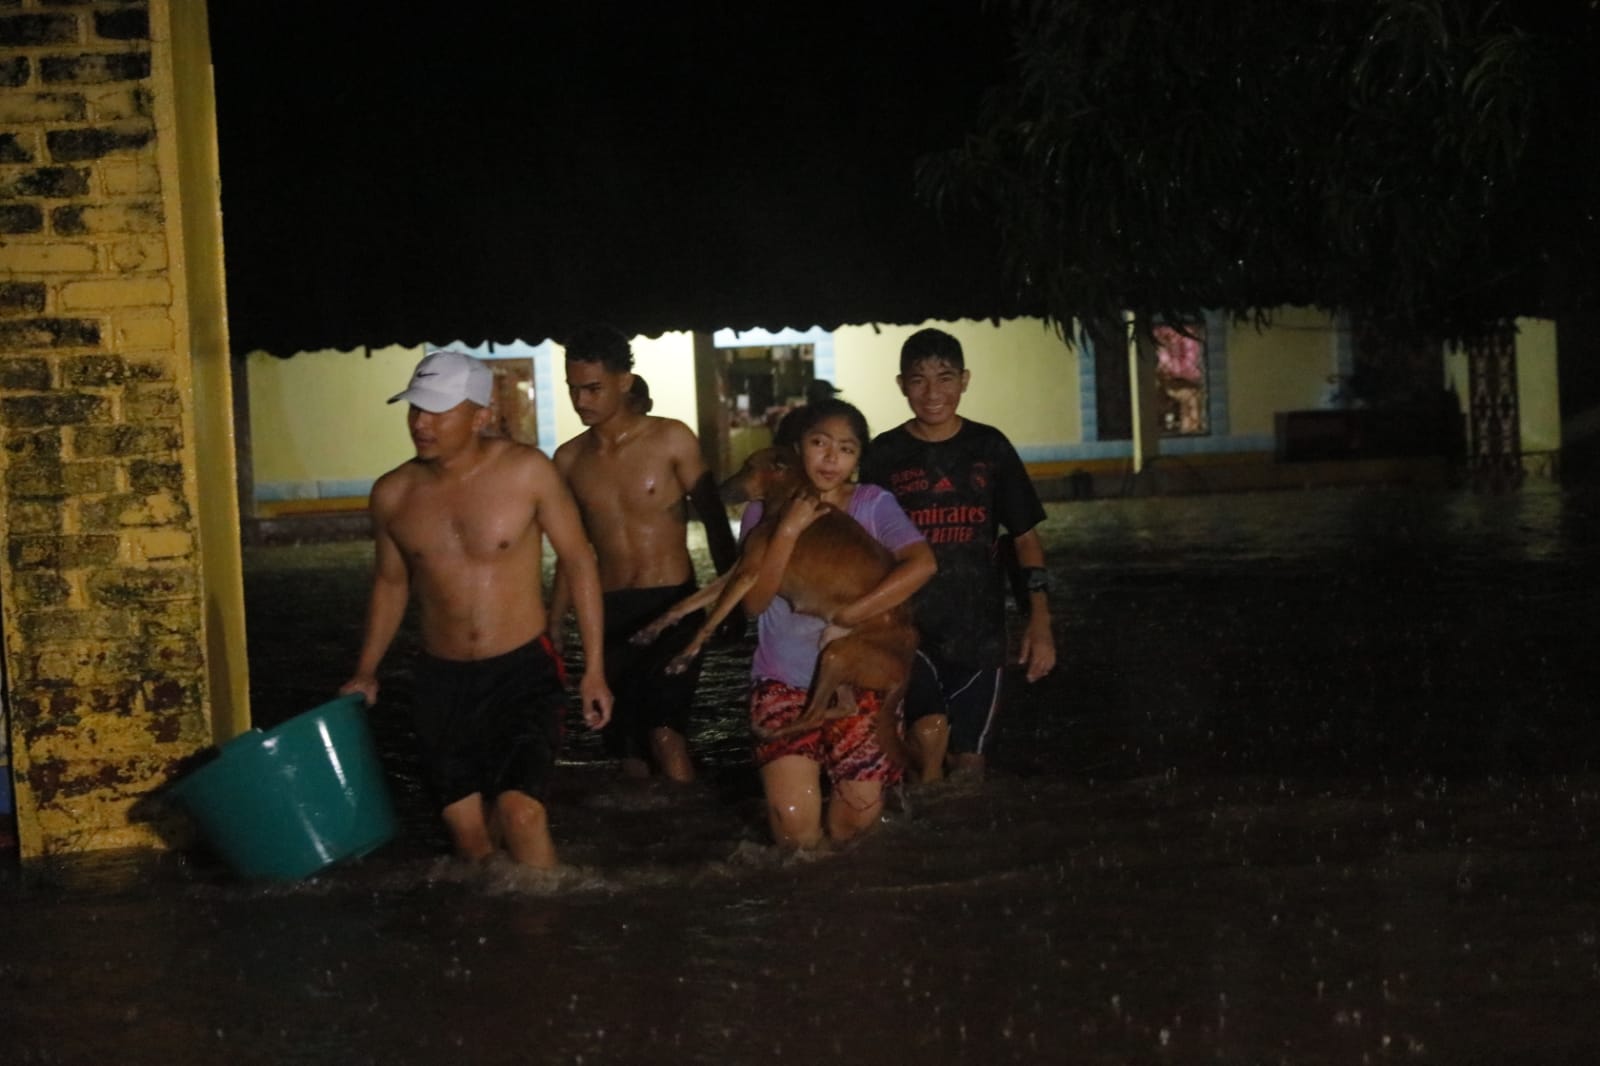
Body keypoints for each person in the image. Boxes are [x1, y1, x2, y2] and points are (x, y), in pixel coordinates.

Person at [341, 349, 613, 869]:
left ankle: (550, 916)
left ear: (481, 415)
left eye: (437, 410)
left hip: (521, 672)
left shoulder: (527, 472)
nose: (421, 423)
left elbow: (580, 561)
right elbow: (391, 583)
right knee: (468, 838)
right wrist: (366, 670)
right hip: (440, 681)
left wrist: (594, 670)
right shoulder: (393, 494)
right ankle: (496, 918)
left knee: (521, 814)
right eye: (415, 408)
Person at [860, 327, 1057, 783]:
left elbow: (1025, 540)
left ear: (965, 380)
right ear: (901, 385)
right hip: (907, 630)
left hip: (980, 634)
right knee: (925, 741)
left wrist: (1040, 621)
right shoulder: (883, 455)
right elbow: (862, 545)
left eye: (945, 378)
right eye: (919, 380)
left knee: (970, 767)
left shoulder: (991, 448)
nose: (932, 394)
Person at [740, 399, 935, 848]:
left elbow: (922, 564)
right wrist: (788, 531)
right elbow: (752, 603)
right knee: (795, 832)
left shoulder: (872, 504)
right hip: (783, 679)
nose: (831, 459)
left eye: (846, 449)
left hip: (860, 682)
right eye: (819, 444)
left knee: (855, 828)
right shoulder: (762, 511)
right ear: (796, 449)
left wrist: (851, 615)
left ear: (858, 458)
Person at [551, 325, 739, 782]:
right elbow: (571, 554)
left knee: (665, 732)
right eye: (573, 389)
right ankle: (650, 824)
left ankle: (696, 820)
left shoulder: (671, 439)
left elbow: (715, 521)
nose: (580, 401)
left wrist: (731, 600)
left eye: (592, 389)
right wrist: (552, 625)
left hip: (673, 605)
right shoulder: (568, 460)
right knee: (628, 748)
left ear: (624, 382)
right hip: (610, 613)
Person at [771, 378, 842, 448]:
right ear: (827, 396)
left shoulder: (793, 415)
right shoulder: (831, 419)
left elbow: (777, 445)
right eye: (831, 395)